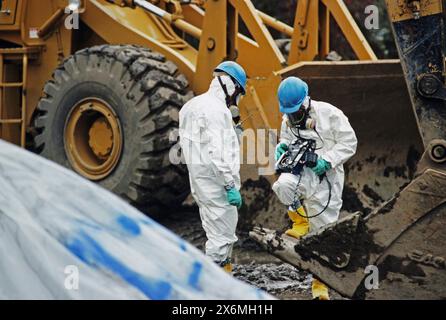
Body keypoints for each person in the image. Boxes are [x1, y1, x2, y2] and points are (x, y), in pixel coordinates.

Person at [272, 76, 357, 299]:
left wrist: (326, 160)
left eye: (296, 113)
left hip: (328, 177)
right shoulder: (287, 120)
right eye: (288, 113)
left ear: (306, 103)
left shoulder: (330, 114)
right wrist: (282, 148)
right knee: (282, 186)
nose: (292, 118)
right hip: (303, 173)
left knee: (324, 234)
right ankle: (300, 222)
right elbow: (288, 143)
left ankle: (321, 287)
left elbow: (350, 143)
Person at [179, 61, 247, 273]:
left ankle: (221, 278)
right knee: (222, 237)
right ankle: (216, 285)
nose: (236, 101)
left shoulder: (191, 105)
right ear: (232, 86)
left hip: (200, 182)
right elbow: (217, 153)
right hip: (218, 185)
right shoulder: (216, 110)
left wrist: (232, 134)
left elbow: (197, 144)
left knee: (215, 232)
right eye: (239, 94)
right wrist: (229, 185)